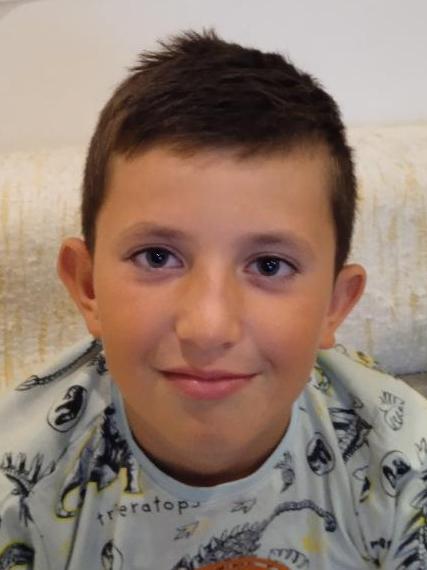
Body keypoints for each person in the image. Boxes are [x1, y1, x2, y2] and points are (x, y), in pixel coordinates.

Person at [0, 30, 425, 570]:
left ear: (334, 306)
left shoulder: (406, 467)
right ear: (88, 287)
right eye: (157, 257)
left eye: (269, 265)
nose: (208, 327)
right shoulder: (18, 488)